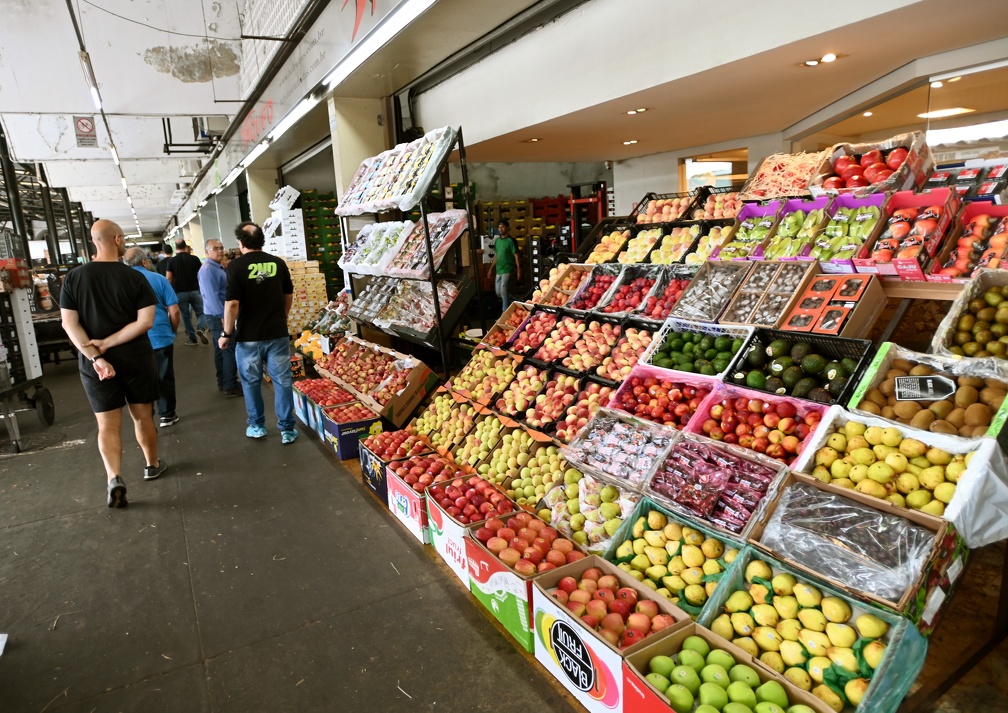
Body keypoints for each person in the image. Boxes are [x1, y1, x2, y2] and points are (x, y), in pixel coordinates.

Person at [60, 219, 166, 509]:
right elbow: (145, 322)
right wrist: (109, 343)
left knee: (107, 423)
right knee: (142, 415)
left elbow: (68, 324)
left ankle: (114, 477)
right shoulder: (135, 277)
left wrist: (97, 354)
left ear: (95, 241)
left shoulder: (73, 278)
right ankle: (152, 464)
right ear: (118, 239)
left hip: (94, 363)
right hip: (136, 358)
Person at [219, 221, 298, 444]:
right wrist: (282, 316)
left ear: (240, 242)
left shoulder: (235, 267)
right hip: (277, 333)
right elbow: (288, 295)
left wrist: (226, 334)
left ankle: (257, 426)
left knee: (251, 382)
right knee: (282, 381)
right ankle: (287, 430)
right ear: (262, 240)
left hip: (249, 336)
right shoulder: (277, 263)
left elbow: (232, 304)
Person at [124, 248, 181, 427]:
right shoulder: (159, 279)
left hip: (132, 339)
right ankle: (167, 415)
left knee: (141, 379)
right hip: (160, 336)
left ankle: (146, 416)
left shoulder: (122, 282)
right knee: (164, 376)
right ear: (144, 262)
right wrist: (172, 330)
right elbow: (174, 310)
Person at [198, 238, 240, 396]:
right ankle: (230, 385)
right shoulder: (208, 270)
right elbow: (212, 297)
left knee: (220, 349)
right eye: (216, 248)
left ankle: (223, 381)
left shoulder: (217, 267)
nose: (220, 251)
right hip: (218, 316)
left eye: (221, 248)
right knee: (229, 348)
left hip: (217, 315)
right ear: (207, 252)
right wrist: (223, 317)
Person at [166, 240, 209, 346]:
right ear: (185, 247)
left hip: (180, 292)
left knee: (185, 316)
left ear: (175, 248)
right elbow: (201, 274)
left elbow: (169, 278)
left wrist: (168, 293)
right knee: (201, 313)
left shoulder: (172, 261)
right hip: (195, 290)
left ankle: (192, 338)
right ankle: (200, 328)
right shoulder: (194, 259)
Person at [489, 220, 521, 311]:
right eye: (499, 227)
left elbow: (516, 256)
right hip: (499, 269)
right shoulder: (497, 241)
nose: (500, 229)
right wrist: (491, 269)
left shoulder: (511, 241)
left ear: (507, 228)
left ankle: (505, 313)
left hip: (508, 269)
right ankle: (515, 301)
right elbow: (496, 255)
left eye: (502, 227)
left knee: (503, 291)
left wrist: (518, 270)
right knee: (498, 292)